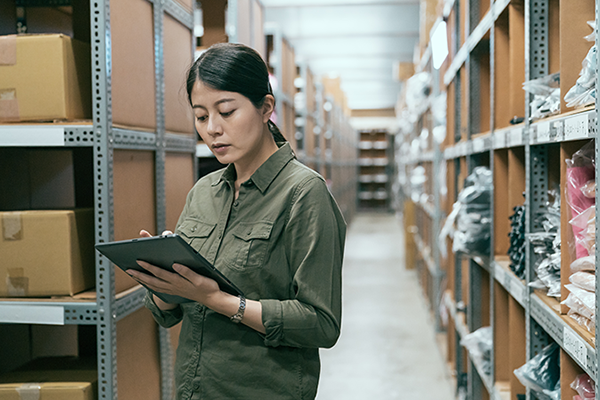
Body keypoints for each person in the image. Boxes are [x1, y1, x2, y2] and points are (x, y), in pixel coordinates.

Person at [126, 43, 346, 399]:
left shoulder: (304, 194)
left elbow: (321, 324)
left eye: (226, 111)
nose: (212, 129)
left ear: (266, 108)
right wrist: (165, 281)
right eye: (201, 116)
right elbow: (168, 314)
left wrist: (218, 300)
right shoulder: (204, 192)